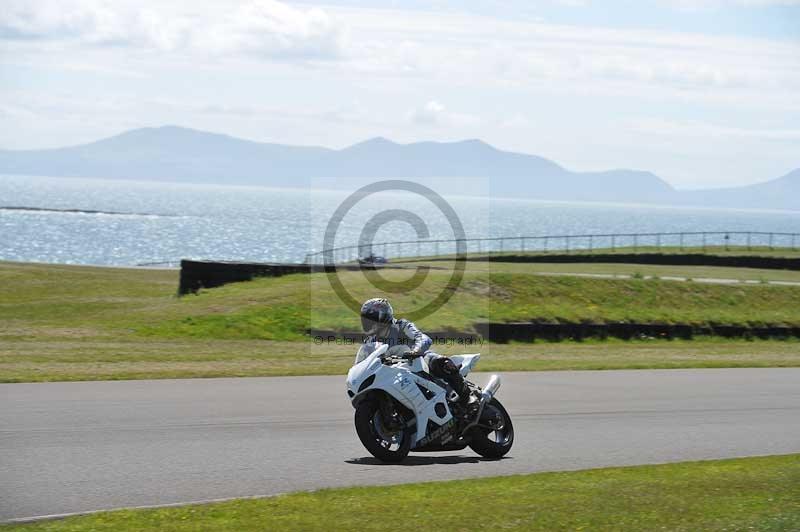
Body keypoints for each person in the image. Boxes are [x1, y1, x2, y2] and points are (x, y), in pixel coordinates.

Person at [360, 297, 476, 409]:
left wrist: (415, 351)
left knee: (441, 362)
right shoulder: (370, 342)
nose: (368, 324)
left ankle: (467, 397)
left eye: (371, 320)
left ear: (382, 317)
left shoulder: (401, 326)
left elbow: (422, 338)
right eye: (366, 320)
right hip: (393, 375)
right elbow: (362, 364)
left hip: (418, 362)